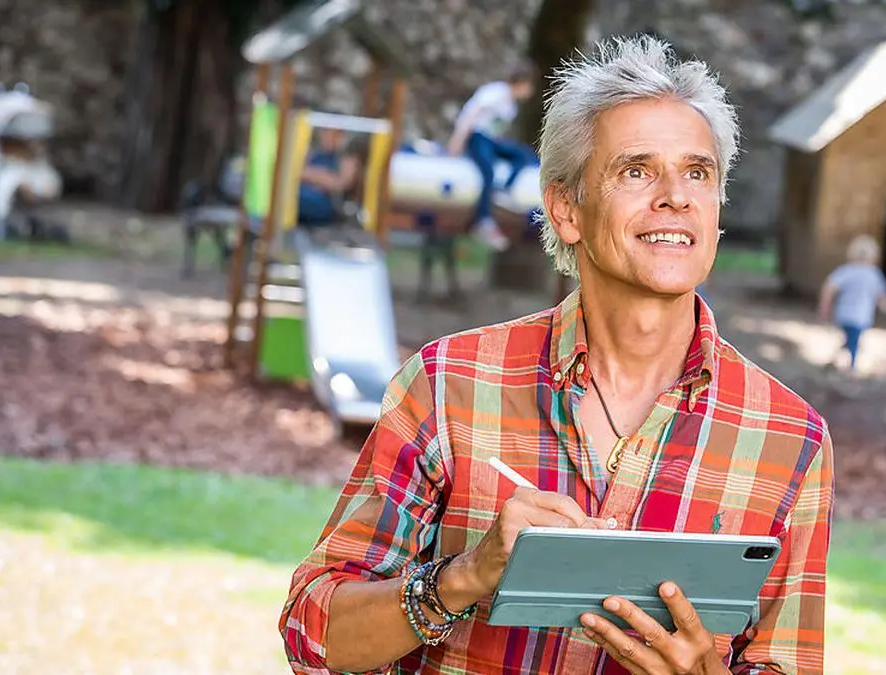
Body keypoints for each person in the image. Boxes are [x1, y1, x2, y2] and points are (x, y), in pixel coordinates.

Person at [280, 35, 834, 675]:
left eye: (697, 172)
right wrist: (464, 576)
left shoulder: (791, 439)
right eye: (635, 170)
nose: (675, 196)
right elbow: (312, 638)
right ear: (566, 209)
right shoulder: (448, 385)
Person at [446, 62, 540, 252]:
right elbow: (471, 115)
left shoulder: (511, 106)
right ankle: (483, 220)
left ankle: (503, 190)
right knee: (487, 171)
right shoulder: (496, 93)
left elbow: (496, 132)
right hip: (477, 137)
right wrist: (457, 141)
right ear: (522, 83)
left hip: (490, 140)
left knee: (522, 156)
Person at [818, 234, 886, 372]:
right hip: (860, 316)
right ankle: (852, 367)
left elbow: (829, 287)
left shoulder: (845, 271)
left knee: (850, 338)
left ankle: (834, 359)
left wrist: (825, 306)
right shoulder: (873, 274)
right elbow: (881, 294)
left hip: (843, 313)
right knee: (854, 341)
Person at [297, 126, 361, 227]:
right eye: (325, 132)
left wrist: (312, 176)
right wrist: (323, 177)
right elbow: (297, 173)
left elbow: (340, 184)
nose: (328, 137)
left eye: (334, 134)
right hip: (298, 205)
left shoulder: (347, 158)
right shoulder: (312, 152)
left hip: (325, 211)